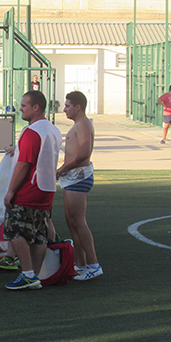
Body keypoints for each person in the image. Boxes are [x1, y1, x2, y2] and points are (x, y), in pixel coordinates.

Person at [3, 90, 62, 290]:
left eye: (24, 105)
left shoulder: (32, 131)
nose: (20, 109)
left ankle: (28, 274)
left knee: (14, 229)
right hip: (46, 189)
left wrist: (11, 190)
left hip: (29, 189)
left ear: (36, 107)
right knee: (39, 235)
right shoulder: (53, 130)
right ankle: (34, 274)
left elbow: (24, 164)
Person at [56, 91, 102, 281]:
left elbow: (84, 153)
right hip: (72, 177)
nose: (64, 109)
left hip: (78, 177)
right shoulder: (79, 124)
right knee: (72, 222)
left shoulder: (84, 124)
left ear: (78, 107)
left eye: (67, 106)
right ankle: (81, 264)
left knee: (79, 221)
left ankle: (94, 265)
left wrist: (63, 168)